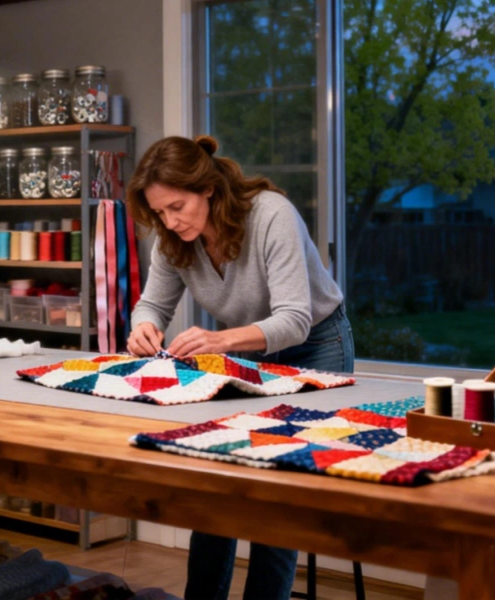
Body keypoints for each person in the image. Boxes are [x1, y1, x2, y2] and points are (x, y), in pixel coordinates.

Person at [125, 136, 352, 600]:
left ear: (207, 187)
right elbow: (152, 304)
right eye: (160, 212)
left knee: (277, 496)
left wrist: (221, 340)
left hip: (316, 345)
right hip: (248, 346)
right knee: (215, 483)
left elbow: (294, 320)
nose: (170, 221)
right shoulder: (173, 237)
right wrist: (143, 327)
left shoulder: (271, 215)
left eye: (177, 206)